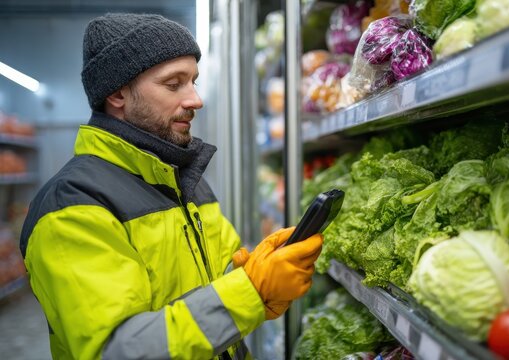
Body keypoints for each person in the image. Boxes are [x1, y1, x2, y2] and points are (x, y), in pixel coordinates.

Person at [19, 13, 323, 360]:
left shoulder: (184, 180)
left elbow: (208, 286)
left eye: (193, 80)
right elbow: (119, 350)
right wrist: (250, 291)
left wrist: (258, 272)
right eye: (173, 83)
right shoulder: (72, 206)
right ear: (117, 93)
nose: (195, 99)